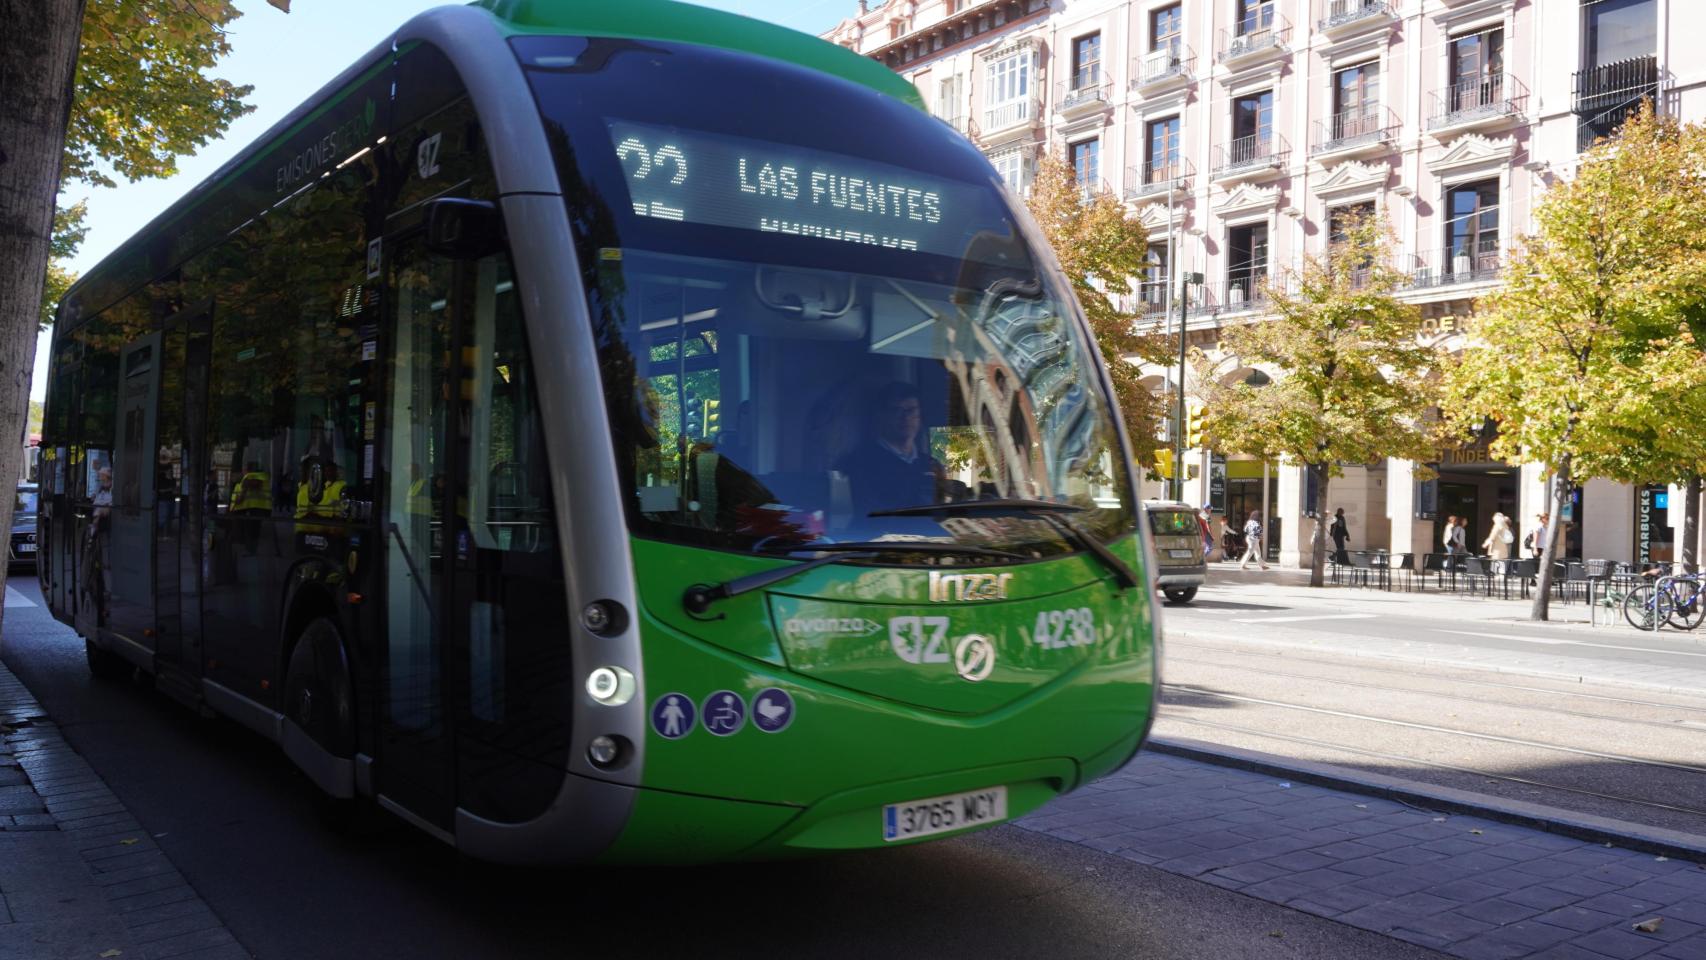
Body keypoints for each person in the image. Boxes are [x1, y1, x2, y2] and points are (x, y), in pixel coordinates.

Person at [836, 381, 946, 520]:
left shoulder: (932, 465)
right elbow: (872, 519)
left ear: (920, 415)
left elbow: (944, 516)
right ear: (881, 416)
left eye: (911, 410)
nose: (905, 417)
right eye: (896, 410)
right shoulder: (860, 463)